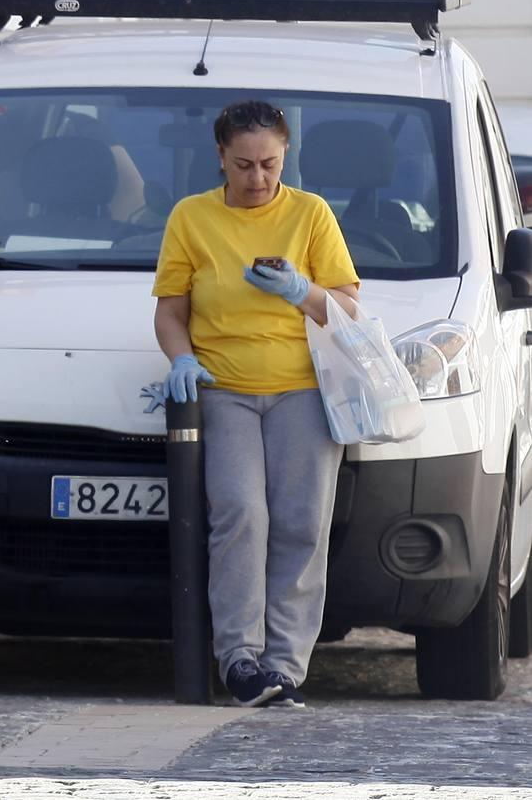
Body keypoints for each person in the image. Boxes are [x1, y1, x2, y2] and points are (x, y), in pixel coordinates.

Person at [151, 99, 359, 709]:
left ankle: (284, 666)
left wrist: (301, 289)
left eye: (269, 163)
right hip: (226, 388)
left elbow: (348, 306)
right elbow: (170, 309)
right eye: (243, 164)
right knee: (241, 513)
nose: (258, 178)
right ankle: (239, 661)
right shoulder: (191, 218)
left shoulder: (311, 214)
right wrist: (181, 358)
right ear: (220, 158)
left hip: (302, 388)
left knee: (301, 520)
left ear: (285, 155)